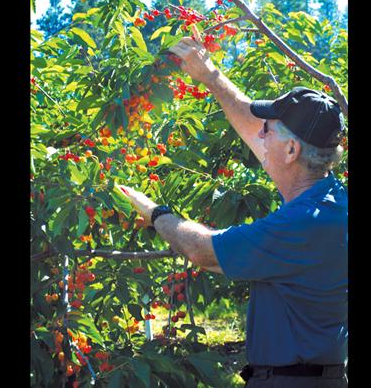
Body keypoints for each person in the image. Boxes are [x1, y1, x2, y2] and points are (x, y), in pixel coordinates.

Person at [118, 35, 348, 388]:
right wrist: (210, 77)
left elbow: (203, 251)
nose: (260, 136)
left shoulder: (302, 224)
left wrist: (155, 213)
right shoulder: (329, 199)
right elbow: (251, 124)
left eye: (267, 132)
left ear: (290, 150)